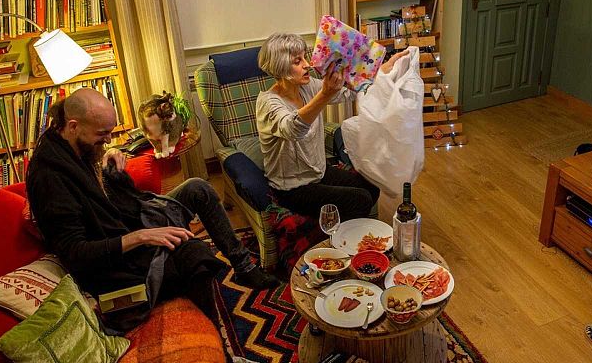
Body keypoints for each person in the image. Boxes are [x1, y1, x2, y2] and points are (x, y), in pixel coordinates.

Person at [27, 88, 280, 334]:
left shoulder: (72, 143)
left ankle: (245, 269)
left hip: (130, 221)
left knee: (197, 189)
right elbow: (75, 253)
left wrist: (109, 159)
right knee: (195, 255)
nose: (106, 140)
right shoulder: (49, 178)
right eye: (103, 134)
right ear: (73, 126)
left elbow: (94, 190)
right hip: (116, 267)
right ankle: (215, 333)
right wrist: (142, 236)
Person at [255, 33, 407, 221]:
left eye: (304, 57)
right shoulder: (268, 103)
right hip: (293, 188)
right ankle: (343, 241)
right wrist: (325, 94)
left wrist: (383, 71)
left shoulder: (307, 86)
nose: (307, 64)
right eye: (297, 61)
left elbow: (348, 92)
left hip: (318, 172)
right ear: (281, 67)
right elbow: (293, 129)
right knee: (359, 199)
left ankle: (348, 231)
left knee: (371, 186)